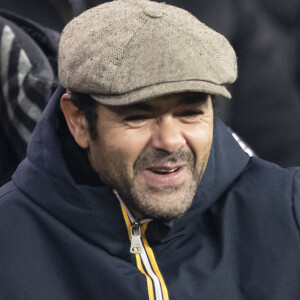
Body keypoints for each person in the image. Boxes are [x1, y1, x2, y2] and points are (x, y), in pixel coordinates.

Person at [0, 0, 299, 299]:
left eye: (190, 113)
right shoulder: (10, 238)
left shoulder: (288, 210)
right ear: (78, 120)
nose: (169, 141)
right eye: (137, 117)